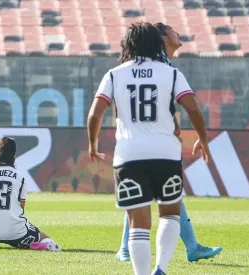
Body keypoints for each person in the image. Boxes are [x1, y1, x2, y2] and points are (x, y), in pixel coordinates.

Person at [87, 22, 211, 275]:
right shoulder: (170, 73)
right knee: (170, 215)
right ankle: (161, 269)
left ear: (128, 44)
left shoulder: (114, 74)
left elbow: (95, 113)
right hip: (165, 154)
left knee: (138, 224)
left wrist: (92, 143)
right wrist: (203, 139)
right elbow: (193, 108)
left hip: (129, 156)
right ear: (157, 43)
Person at [115, 23, 223, 263]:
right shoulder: (160, 65)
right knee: (162, 193)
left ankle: (126, 248)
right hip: (155, 141)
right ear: (163, 38)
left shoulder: (153, 63)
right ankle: (190, 247)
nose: (177, 32)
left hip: (142, 141)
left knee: (143, 192)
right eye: (172, 30)